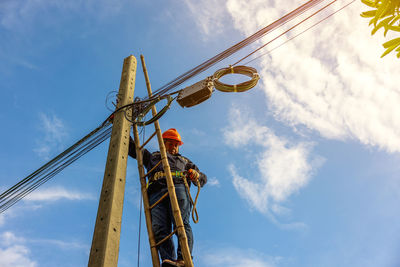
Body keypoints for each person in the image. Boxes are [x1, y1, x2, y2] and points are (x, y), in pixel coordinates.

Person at [129, 128, 207, 267]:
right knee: (159, 228)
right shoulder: (152, 156)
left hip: (178, 188)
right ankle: (169, 260)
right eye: (171, 144)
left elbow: (202, 178)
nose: (174, 147)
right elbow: (133, 148)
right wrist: (123, 128)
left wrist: (196, 175)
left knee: (181, 224)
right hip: (156, 192)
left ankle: (183, 259)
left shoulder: (184, 160)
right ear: (163, 143)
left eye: (176, 144)